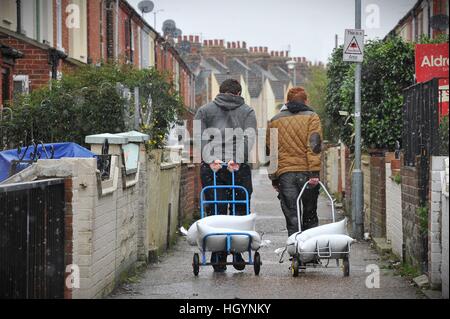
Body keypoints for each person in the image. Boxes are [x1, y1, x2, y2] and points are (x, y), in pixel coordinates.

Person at [194, 79, 257, 272]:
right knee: (239, 209)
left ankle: (218, 255)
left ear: (220, 92)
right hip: (238, 168)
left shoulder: (204, 111)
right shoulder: (247, 111)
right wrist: (237, 159)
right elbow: (249, 137)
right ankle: (238, 250)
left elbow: (199, 136)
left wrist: (211, 159)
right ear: (238, 93)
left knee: (216, 210)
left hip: (212, 168)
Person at [266, 87, 323, 237]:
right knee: (310, 214)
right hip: (307, 173)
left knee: (292, 215)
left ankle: (295, 252)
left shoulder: (275, 120)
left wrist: (274, 178)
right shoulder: (312, 117)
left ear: (287, 101)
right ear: (306, 101)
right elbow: (314, 145)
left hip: (286, 174)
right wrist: (314, 173)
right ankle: (310, 253)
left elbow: (271, 151)